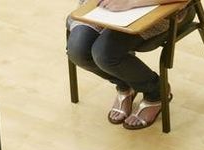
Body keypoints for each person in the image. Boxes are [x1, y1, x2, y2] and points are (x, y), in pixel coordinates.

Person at [67, 0, 190, 130]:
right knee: (78, 51)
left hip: (158, 8)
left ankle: (156, 92)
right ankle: (126, 84)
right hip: (104, 6)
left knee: (105, 54)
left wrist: (132, 2)